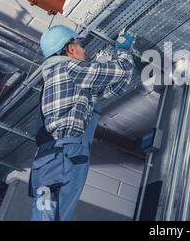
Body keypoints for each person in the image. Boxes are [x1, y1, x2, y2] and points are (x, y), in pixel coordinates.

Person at [29, 25, 134, 221]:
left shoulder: (65, 78)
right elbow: (120, 71)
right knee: (51, 217)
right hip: (64, 152)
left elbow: (114, 89)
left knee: (51, 215)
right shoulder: (68, 68)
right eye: (80, 45)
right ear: (70, 49)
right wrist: (122, 50)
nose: (84, 50)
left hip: (57, 155)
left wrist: (117, 62)